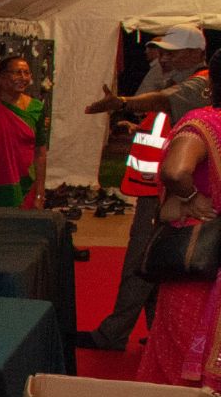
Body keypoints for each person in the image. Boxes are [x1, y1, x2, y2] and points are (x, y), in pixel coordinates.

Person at [80, 28, 212, 350]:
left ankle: (114, 334)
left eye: (173, 53)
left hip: (173, 193)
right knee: (161, 261)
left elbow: (163, 101)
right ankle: (158, 333)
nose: (164, 58)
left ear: (197, 53)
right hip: (160, 190)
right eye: (161, 52)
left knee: (142, 260)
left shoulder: (197, 84)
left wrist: (123, 102)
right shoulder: (175, 79)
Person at [133, 90, 221, 389]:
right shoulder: (206, 123)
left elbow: (175, 170)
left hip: (202, 258)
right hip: (202, 256)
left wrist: (191, 198)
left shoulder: (204, 122)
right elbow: (177, 171)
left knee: (180, 353)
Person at [0, 54, 50, 208]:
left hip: (24, 183)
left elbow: (40, 152)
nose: (23, 77)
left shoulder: (36, 108)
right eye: (16, 72)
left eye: (26, 73)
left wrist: (40, 193)